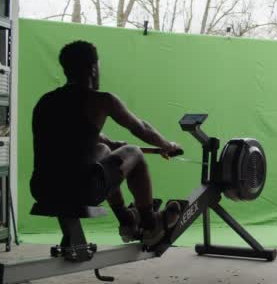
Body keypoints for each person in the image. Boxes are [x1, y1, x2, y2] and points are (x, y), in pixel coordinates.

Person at [30, 40, 182, 245]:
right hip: (80, 189)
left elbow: (73, 139)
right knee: (134, 152)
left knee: (103, 150)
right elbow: (141, 128)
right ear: (93, 69)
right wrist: (167, 145)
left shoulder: (46, 102)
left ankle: (127, 221)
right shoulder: (101, 100)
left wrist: (111, 144)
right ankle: (150, 224)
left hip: (43, 188)